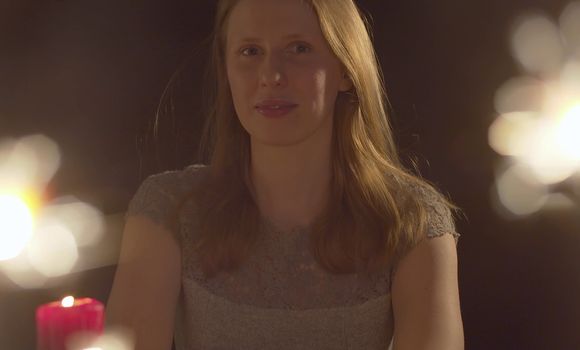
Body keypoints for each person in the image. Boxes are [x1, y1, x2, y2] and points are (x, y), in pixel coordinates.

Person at [105, 0, 464, 349]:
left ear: (345, 69)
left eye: (298, 48)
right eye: (250, 51)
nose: (271, 76)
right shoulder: (168, 212)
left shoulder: (412, 224)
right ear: (226, 71)